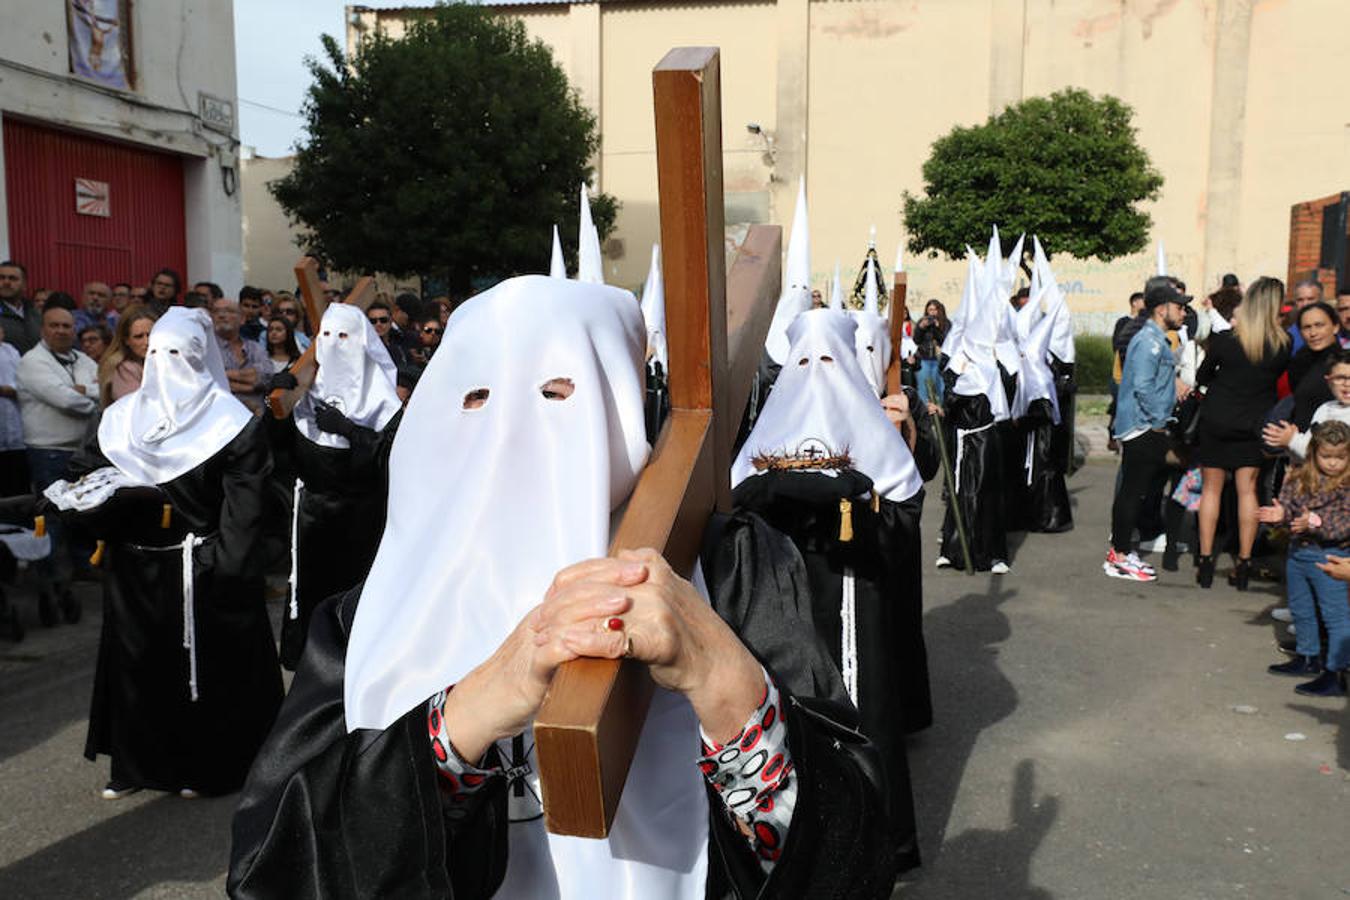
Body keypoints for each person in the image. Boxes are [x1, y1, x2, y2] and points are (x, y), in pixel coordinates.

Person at [228, 275, 901, 899]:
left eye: (556, 394)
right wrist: (464, 716)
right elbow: (272, 869)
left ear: (619, 404)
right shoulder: (374, 613)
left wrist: (725, 684)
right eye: (476, 398)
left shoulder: (723, 566)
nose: (512, 434)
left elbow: (855, 860)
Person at [47, 307, 283, 800]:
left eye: (178, 353)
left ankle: (205, 767)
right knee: (138, 669)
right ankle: (139, 765)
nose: (166, 363)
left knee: (201, 672)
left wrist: (221, 567)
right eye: (157, 352)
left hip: (199, 565)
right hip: (135, 567)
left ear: (201, 359)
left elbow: (245, 506)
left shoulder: (232, 424)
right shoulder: (120, 419)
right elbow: (85, 469)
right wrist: (81, 497)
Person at [731, 307, 929, 872]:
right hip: (781, 608)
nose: (816, 374)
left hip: (853, 600)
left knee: (863, 714)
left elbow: (901, 520)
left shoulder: (877, 437)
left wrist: (856, 503)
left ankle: (876, 840)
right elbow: (732, 512)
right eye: (804, 361)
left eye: (828, 359)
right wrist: (775, 490)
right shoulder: (765, 437)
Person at [279, 303, 403, 669]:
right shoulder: (304, 399)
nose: (334, 345)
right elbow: (274, 455)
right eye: (326, 337)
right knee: (314, 604)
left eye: (344, 337)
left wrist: (351, 430)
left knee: (358, 609)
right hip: (314, 522)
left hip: (363, 521)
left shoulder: (385, 405)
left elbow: (394, 460)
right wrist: (278, 404)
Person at [1192, 277, 1291, 589]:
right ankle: (1245, 563)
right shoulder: (1282, 345)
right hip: (1253, 423)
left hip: (1217, 419)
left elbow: (1202, 376)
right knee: (1247, 491)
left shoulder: (1226, 340)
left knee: (1211, 490)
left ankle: (1206, 561)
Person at [1256, 421, 1350, 696]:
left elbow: (1345, 523)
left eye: (1341, 457)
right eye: (1326, 456)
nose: (1333, 463)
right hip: (1299, 552)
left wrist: (1315, 524)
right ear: (1313, 454)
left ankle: (1337, 671)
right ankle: (1308, 658)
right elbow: (1289, 510)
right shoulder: (1297, 477)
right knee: (1301, 608)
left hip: (1332, 556)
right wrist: (1280, 517)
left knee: (1336, 616)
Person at [1104, 283, 1190, 582]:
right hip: (1142, 426)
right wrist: (1157, 421)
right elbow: (1142, 386)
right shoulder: (1149, 342)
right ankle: (1120, 555)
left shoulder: (1158, 341)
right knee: (1132, 492)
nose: (1183, 312)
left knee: (1137, 491)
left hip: (1146, 425)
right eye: (1179, 306)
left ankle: (1123, 552)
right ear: (1161, 308)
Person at [938, 246, 1012, 573]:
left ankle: (992, 553)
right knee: (957, 490)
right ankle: (953, 547)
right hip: (960, 436)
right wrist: (957, 379)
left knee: (984, 492)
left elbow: (1001, 402)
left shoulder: (994, 365)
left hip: (984, 438)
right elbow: (949, 393)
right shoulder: (958, 360)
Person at [1265, 349, 1350, 461]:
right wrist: (1288, 443)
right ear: (1328, 381)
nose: (1347, 384)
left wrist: (1293, 440)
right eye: (1340, 378)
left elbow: (1332, 455)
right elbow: (1309, 455)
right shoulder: (1324, 409)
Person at [212, 296, 272, 413]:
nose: (221, 315)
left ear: (242, 319)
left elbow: (267, 377)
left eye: (228, 311)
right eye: (216, 311)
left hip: (255, 420)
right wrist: (251, 385)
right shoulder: (206, 349)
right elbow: (206, 382)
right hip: (220, 418)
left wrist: (224, 377)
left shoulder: (255, 348)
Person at [1287, 302, 1340, 430]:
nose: (1313, 333)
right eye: (1307, 327)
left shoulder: (1343, 363)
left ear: (1335, 327)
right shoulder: (1298, 362)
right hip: (1300, 439)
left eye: (1319, 325)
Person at [97, 305, 156, 405]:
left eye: (151, 334)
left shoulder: (164, 362)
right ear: (126, 340)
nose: (147, 342)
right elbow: (139, 408)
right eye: (139, 337)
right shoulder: (123, 369)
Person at [0, 324, 24, 497]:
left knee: (16, 482)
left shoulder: (10, 351)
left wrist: (13, 389)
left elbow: (23, 379)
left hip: (15, 419)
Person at [0, 261, 42, 354]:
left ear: (24, 285)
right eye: (1, 278)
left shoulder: (36, 313)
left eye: (13, 278)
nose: (6, 282)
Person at [913, 299, 949, 406]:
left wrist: (937, 328)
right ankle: (925, 415)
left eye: (935, 309)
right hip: (924, 359)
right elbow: (916, 340)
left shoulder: (945, 323)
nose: (932, 312)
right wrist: (920, 328)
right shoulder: (922, 322)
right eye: (930, 310)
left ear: (939, 310)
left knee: (940, 388)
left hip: (939, 361)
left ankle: (941, 414)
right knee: (923, 389)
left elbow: (945, 342)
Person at [365, 299, 409, 369]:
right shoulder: (364, 349)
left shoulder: (400, 344)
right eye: (373, 321)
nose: (378, 324)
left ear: (390, 322)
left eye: (383, 320)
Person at [1287, 278, 1322, 353]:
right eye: (1300, 300)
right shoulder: (1288, 336)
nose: (1305, 304)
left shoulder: (1333, 330)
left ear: (1320, 300)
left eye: (1310, 299)